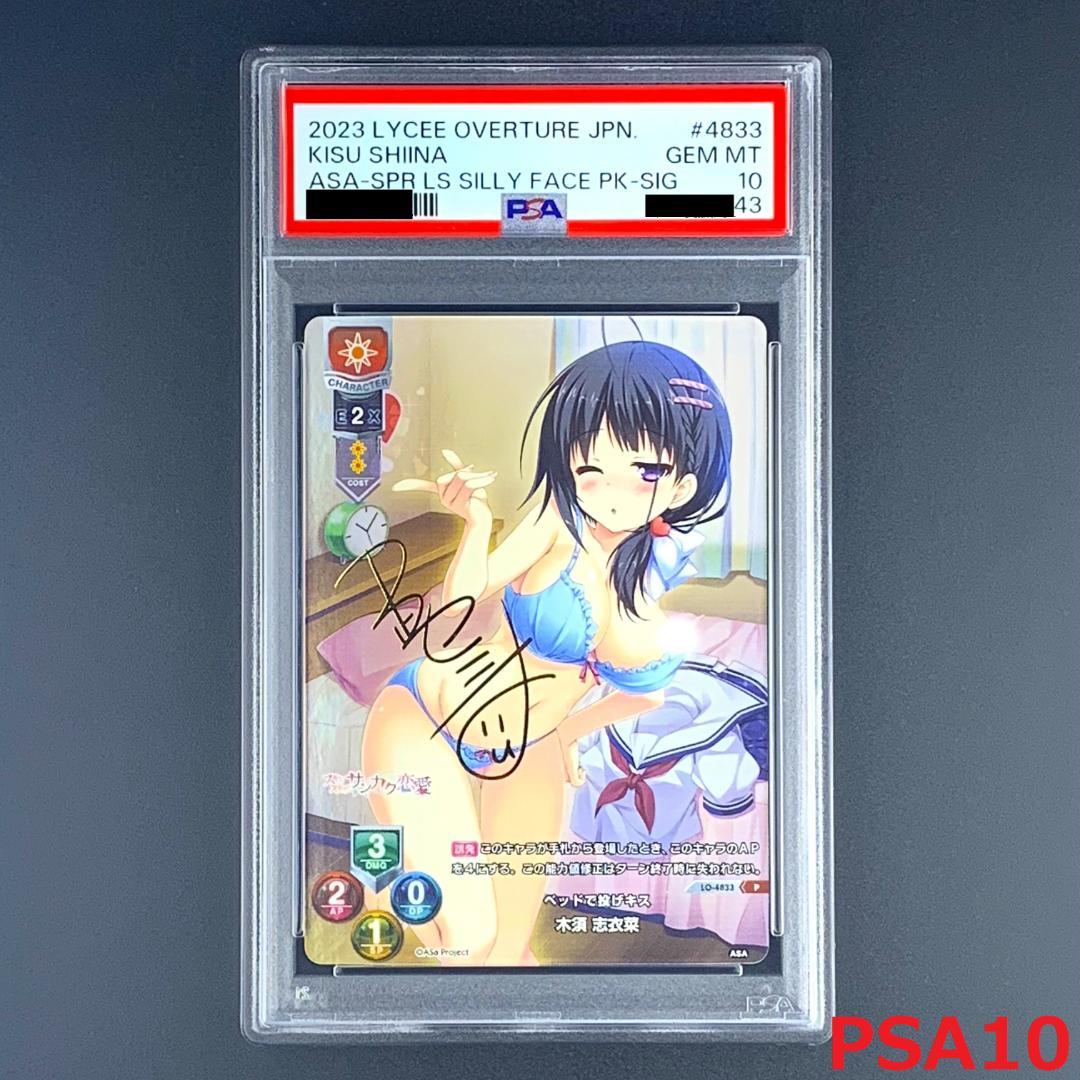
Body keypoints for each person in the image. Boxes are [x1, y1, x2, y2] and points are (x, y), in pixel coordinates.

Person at [360, 338, 733, 965]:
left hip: (529, 750)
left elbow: (647, 694)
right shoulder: (557, 524)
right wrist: (476, 525)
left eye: (644, 472)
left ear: (680, 485)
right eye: (590, 469)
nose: (611, 491)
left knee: (509, 953)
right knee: (472, 940)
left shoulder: (646, 583)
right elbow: (464, 595)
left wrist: (567, 732)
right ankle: (398, 896)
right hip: (428, 718)